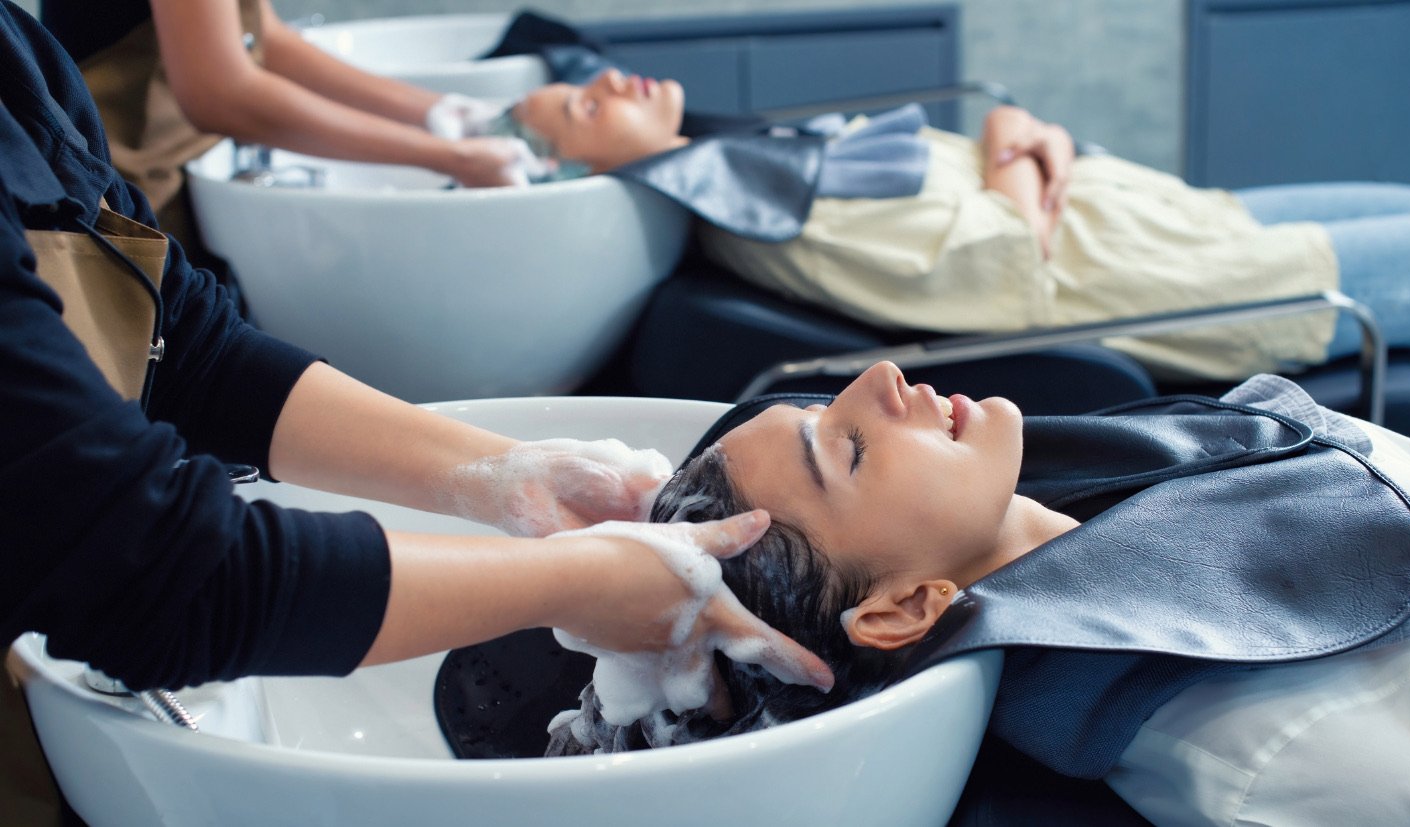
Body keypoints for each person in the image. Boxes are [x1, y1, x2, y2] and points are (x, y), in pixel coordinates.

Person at [0, 5, 831, 823]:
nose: (880, 384)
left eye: (840, 447)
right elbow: (153, 570)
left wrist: (510, 473)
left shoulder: (18, 58)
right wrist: (577, 581)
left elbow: (193, 350)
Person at [542, 360, 1410, 824]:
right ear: (904, 607)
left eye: (827, 414)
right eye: (850, 453)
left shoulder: (1112, 478)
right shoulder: (1269, 744)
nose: (878, 380)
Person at [509, 68, 1410, 382]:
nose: (608, 80)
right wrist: (1018, 154)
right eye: (584, 109)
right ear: (573, 170)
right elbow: (1000, 269)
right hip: (1165, 270)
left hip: (1157, 214)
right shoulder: (762, 213)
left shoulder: (754, 156)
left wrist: (1013, 146)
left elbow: (988, 136)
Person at [39, 0, 528, 260]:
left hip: (174, 177)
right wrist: (447, 157)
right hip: (122, 190)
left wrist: (439, 112)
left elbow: (263, 38)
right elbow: (219, 93)